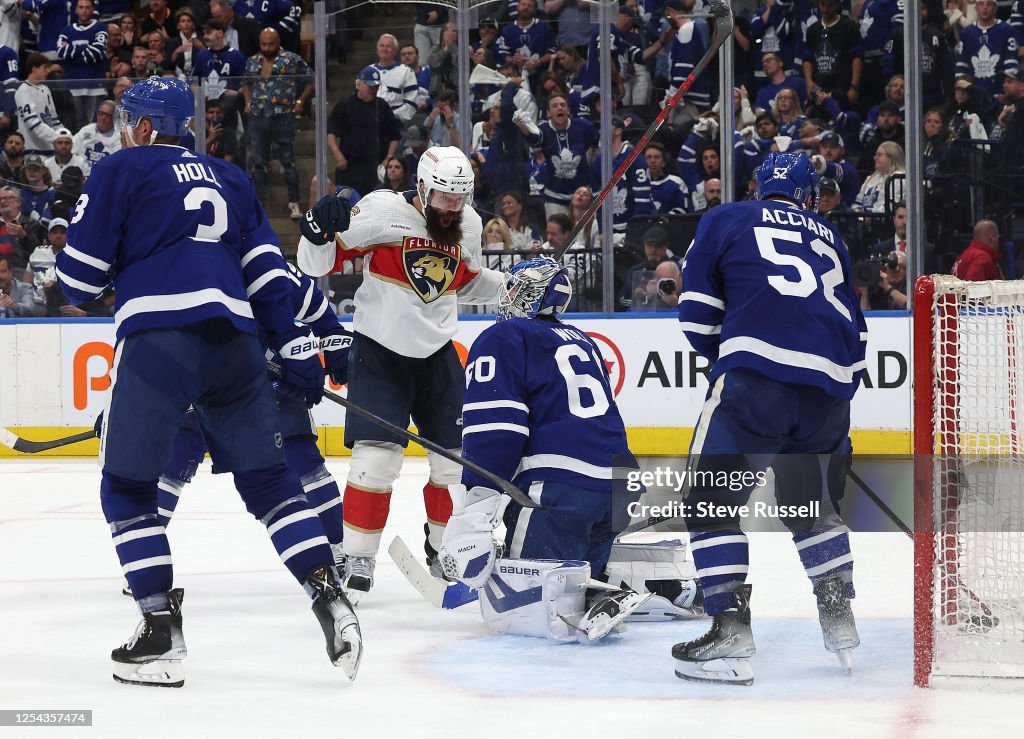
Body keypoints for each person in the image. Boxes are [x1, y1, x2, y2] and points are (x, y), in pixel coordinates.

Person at [54, 78, 361, 686]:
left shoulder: (121, 169)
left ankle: (159, 632)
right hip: (237, 345)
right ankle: (331, 596)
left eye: (127, 121)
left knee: (127, 489)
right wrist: (295, 349)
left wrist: (102, 248)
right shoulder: (233, 179)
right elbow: (272, 279)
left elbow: (77, 282)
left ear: (142, 127)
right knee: (273, 485)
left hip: (159, 342)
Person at [674, 151, 867, 685]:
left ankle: (730, 626)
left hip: (756, 382)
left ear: (761, 187)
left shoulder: (727, 217)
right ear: (808, 194)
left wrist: (730, 367)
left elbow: (696, 311)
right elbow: (858, 334)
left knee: (709, 502)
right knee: (810, 505)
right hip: (828, 396)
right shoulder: (831, 236)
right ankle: (838, 614)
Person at [296, 145, 505, 601]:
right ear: (424, 188)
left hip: (439, 356)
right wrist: (315, 231)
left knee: (454, 464)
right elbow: (315, 266)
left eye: (461, 198)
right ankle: (356, 556)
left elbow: (464, 281)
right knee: (376, 462)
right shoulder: (380, 211)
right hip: (379, 353)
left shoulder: (467, 223)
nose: (453, 208)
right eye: (445, 198)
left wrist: (514, 285)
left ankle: (447, 548)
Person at [437, 256, 651, 642]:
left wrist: (476, 508)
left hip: (561, 492)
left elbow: (496, 430)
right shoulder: (581, 339)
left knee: (523, 611)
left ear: (521, 294)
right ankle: (643, 589)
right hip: (620, 487)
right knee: (576, 576)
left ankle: (591, 598)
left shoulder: (501, 337)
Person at [241, 27, 314, 219]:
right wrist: (248, 102)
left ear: (278, 41)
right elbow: (245, 83)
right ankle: (260, 204)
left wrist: (301, 101)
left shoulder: (291, 59)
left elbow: (310, 79)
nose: (267, 47)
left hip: (283, 114)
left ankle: (294, 202)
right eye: (264, 44)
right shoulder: (253, 61)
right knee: (258, 162)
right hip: (258, 115)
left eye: (271, 43)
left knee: (288, 161)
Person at [326, 65, 401, 201]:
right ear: (359, 84)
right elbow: (331, 133)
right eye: (370, 86)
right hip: (350, 165)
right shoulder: (345, 104)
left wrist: (388, 158)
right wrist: (338, 155)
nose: (373, 90)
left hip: (375, 166)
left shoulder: (382, 106)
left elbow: (394, 136)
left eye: (376, 87)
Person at [56, 0, 109, 128]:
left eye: (87, 7)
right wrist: (86, 48)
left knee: (96, 126)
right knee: (77, 126)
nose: (84, 10)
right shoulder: (67, 30)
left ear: (92, 10)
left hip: (95, 86)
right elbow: (61, 51)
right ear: (76, 10)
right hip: (73, 85)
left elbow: (96, 52)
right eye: (81, 7)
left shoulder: (100, 28)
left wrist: (73, 54)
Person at [14, 53, 64, 156]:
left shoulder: (45, 89)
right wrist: (57, 138)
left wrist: (66, 136)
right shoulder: (23, 91)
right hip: (33, 150)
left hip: (51, 148)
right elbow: (33, 123)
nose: (48, 71)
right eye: (45, 68)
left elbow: (54, 120)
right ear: (34, 69)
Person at [72, 98, 121, 173]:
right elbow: (72, 151)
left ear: (114, 117)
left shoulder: (119, 136)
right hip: (81, 175)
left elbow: (117, 164)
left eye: (107, 115)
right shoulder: (86, 130)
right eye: (101, 113)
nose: (103, 118)